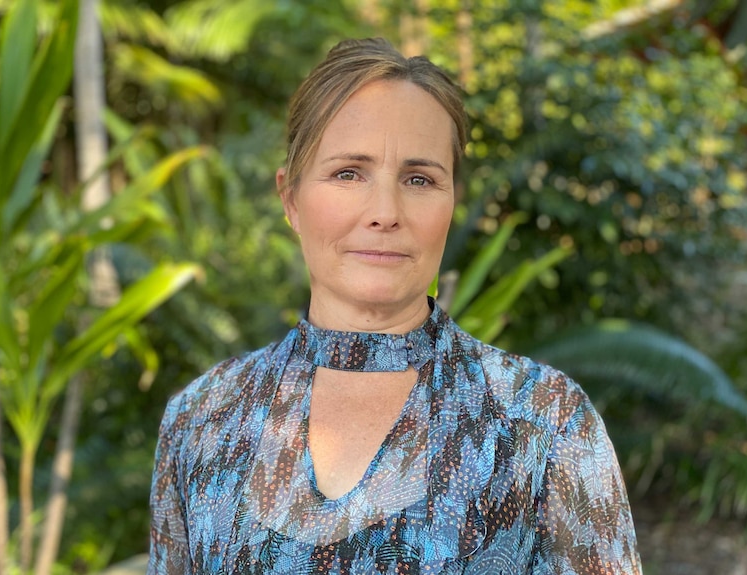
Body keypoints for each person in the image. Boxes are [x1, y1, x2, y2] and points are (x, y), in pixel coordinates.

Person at [147, 37, 642, 575]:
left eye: (419, 179)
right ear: (290, 199)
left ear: (453, 202)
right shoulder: (203, 418)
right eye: (348, 173)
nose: (385, 211)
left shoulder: (543, 421)